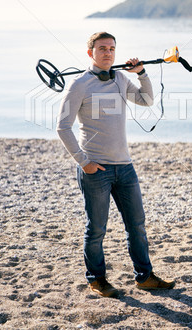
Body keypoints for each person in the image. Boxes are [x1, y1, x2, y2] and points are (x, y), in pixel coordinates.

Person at [56, 32, 175, 298]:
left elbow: (146, 100)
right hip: (95, 170)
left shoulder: (120, 78)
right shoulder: (79, 85)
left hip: (125, 167)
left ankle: (144, 277)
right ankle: (97, 279)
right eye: (102, 48)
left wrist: (142, 73)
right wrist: (84, 162)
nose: (108, 53)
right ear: (90, 53)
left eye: (111, 48)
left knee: (137, 225)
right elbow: (62, 127)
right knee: (96, 228)